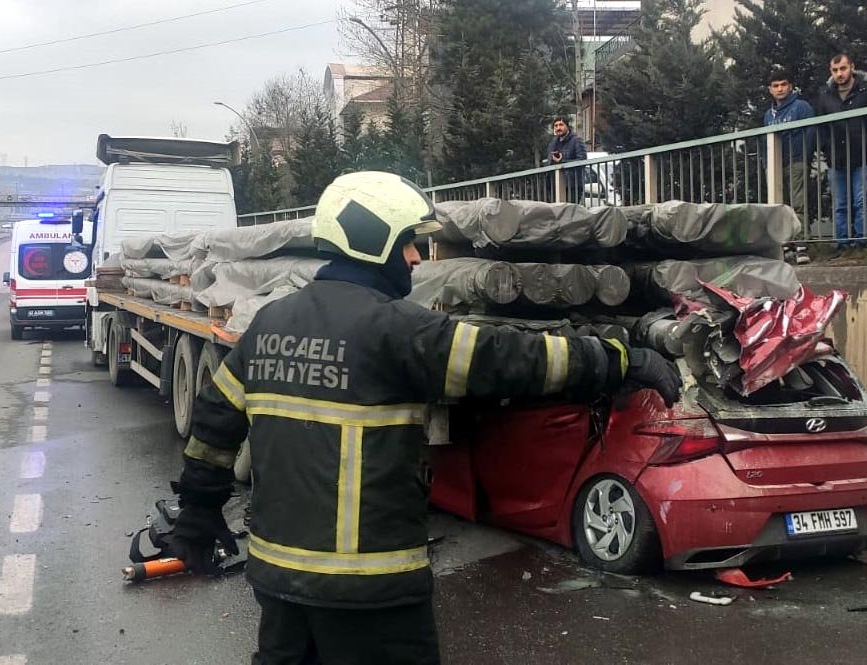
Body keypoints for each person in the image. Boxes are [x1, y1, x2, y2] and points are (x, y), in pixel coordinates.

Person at [168, 171, 682, 665]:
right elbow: (512, 360)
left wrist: (198, 511)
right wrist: (622, 359)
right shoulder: (398, 330)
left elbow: (215, 426)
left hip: (280, 583)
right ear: (373, 243)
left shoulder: (268, 324)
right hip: (372, 592)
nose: (415, 258)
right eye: (408, 243)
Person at [816, 53, 867, 250]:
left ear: (852, 67)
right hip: (836, 157)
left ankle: (861, 242)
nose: (839, 74)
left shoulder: (866, 91)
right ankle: (842, 243)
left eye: (843, 68)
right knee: (840, 203)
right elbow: (821, 127)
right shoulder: (825, 95)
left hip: (864, 155)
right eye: (835, 70)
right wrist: (826, 148)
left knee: (862, 202)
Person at [763, 70, 817, 222]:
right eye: (776, 86)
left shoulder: (802, 106)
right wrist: (766, 164)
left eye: (783, 84)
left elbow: (811, 133)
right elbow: (765, 141)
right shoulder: (768, 114)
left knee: (798, 204)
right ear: (770, 89)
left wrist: (804, 158)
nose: (780, 89)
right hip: (775, 165)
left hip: (796, 162)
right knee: (777, 206)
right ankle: (784, 242)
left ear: (790, 86)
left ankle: (801, 241)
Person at [547, 116, 588, 203]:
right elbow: (550, 162)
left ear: (567, 126)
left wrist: (562, 162)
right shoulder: (553, 143)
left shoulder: (576, 140)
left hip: (572, 185)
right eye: (556, 126)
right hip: (555, 185)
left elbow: (582, 160)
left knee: (570, 212)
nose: (558, 128)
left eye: (561, 125)